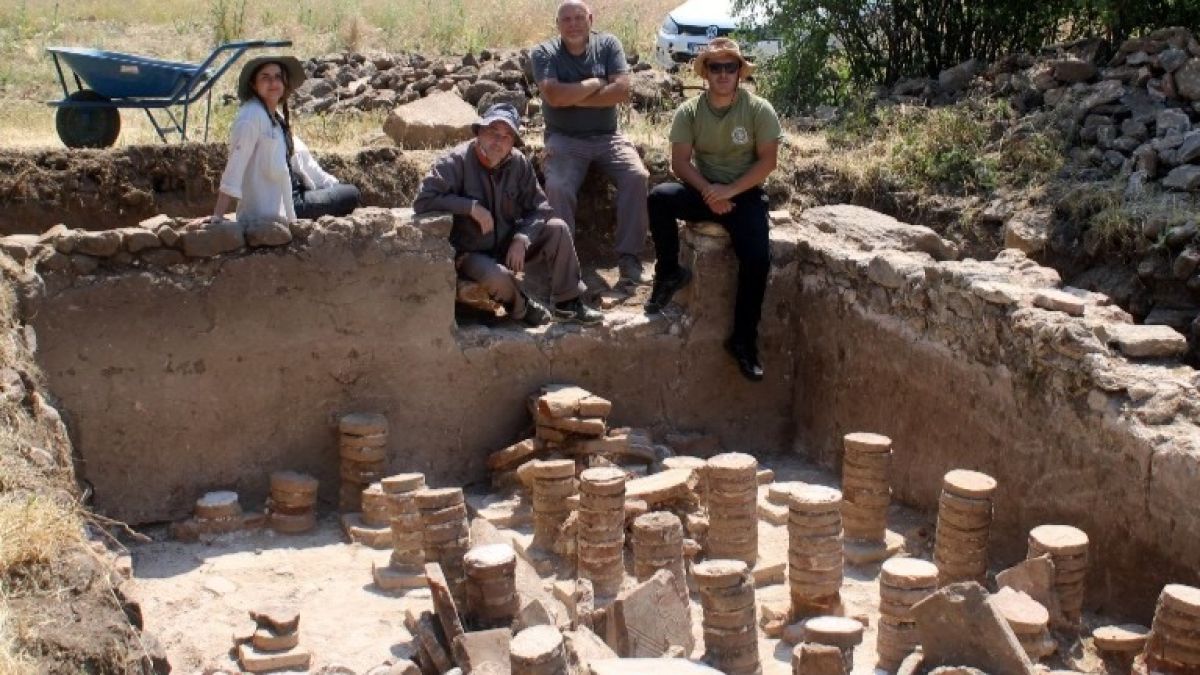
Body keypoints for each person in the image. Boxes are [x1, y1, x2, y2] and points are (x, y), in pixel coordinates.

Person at [645, 38, 782, 382]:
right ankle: (668, 273)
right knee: (659, 198)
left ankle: (743, 341)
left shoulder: (758, 109)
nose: (723, 73)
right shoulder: (689, 111)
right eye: (715, 67)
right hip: (703, 190)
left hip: (744, 194)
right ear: (705, 72)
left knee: (757, 260)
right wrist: (709, 192)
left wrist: (729, 191)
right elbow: (679, 162)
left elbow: (768, 162)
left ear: (739, 72)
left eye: (729, 67)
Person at [413, 104, 601, 327]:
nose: (498, 142)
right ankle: (522, 308)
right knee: (497, 277)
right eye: (493, 132)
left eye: (506, 136)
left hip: (507, 243)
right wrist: (470, 207)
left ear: (512, 143)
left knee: (558, 228)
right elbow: (423, 200)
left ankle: (568, 304)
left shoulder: (518, 163)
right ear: (479, 132)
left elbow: (540, 207)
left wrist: (522, 237)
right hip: (470, 254)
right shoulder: (455, 161)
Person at [531, 0, 650, 285]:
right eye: (566, 19)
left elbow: (621, 91)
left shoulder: (608, 45)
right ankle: (563, 267)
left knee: (637, 175)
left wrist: (570, 97)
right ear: (557, 24)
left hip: (608, 136)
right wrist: (595, 84)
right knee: (558, 187)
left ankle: (629, 258)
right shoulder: (544, 52)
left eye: (579, 17)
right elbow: (553, 97)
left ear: (590, 19)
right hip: (564, 138)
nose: (573, 24)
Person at [213, 56, 359, 224]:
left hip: (292, 197)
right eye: (265, 77)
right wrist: (217, 215)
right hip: (280, 207)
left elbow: (305, 164)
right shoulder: (251, 116)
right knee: (352, 194)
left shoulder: (276, 117)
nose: (273, 82)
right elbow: (236, 164)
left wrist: (333, 185)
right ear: (253, 84)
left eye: (278, 77)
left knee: (345, 191)